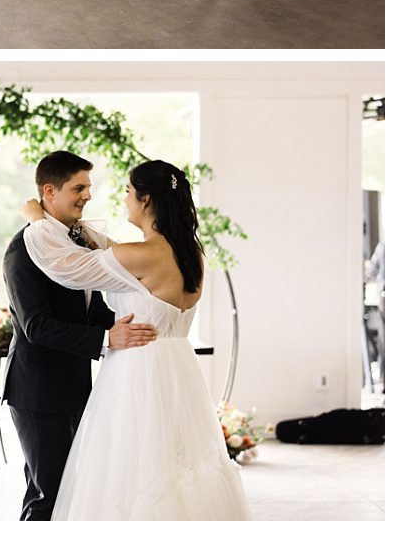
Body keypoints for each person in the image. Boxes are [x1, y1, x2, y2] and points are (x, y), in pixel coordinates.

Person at [16, 159, 252, 520]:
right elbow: (109, 251)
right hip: (177, 370)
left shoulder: (142, 256)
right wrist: (76, 226)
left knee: (133, 472)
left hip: (139, 371)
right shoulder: (191, 254)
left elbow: (65, 264)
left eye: (128, 192)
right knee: (176, 467)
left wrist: (37, 219)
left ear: (146, 201)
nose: (122, 199)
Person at [2, 152, 160, 521]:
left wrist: (130, 324)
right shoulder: (24, 248)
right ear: (49, 191)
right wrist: (108, 339)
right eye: (79, 188)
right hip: (38, 392)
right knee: (50, 493)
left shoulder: (78, 242)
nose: (88, 195)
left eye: (88, 187)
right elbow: (36, 325)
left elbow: (93, 308)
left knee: (72, 490)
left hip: (76, 387)